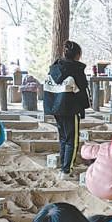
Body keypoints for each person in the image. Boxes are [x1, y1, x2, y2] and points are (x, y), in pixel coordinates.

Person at [43, 40, 90, 180]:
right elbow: (82, 91)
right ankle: (66, 171)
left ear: (64, 53)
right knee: (72, 141)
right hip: (70, 109)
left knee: (63, 138)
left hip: (56, 108)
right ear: (78, 55)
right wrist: (83, 107)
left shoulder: (54, 68)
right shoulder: (76, 70)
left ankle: (63, 167)